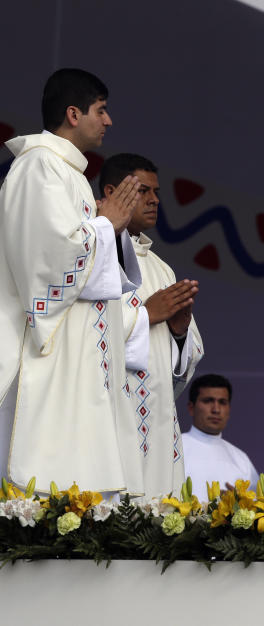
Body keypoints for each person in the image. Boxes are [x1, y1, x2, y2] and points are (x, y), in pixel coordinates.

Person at [0, 68, 149, 495]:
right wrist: (106, 226)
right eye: (101, 111)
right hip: (30, 356)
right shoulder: (39, 168)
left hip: (70, 360)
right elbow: (49, 264)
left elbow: (85, 260)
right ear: (73, 113)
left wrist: (110, 229)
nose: (109, 122)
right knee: (16, 493)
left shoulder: (69, 174)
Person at [99, 153, 204, 496]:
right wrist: (146, 315)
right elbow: (82, 333)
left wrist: (178, 330)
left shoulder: (161, 268)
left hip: (157, 420)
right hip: (111, 419)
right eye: (144, 190)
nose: (155, 200)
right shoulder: (93, 256)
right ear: (113, 192)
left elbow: (181, 363)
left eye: (156, 192)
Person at [182, 374, 257, 501]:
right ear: (191, 408)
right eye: (208, 401)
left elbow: (258, 513)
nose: (216, 409)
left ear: (229, 409)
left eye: (222, 402)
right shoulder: (174, 449)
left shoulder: (241, 459)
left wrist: (242, 504)